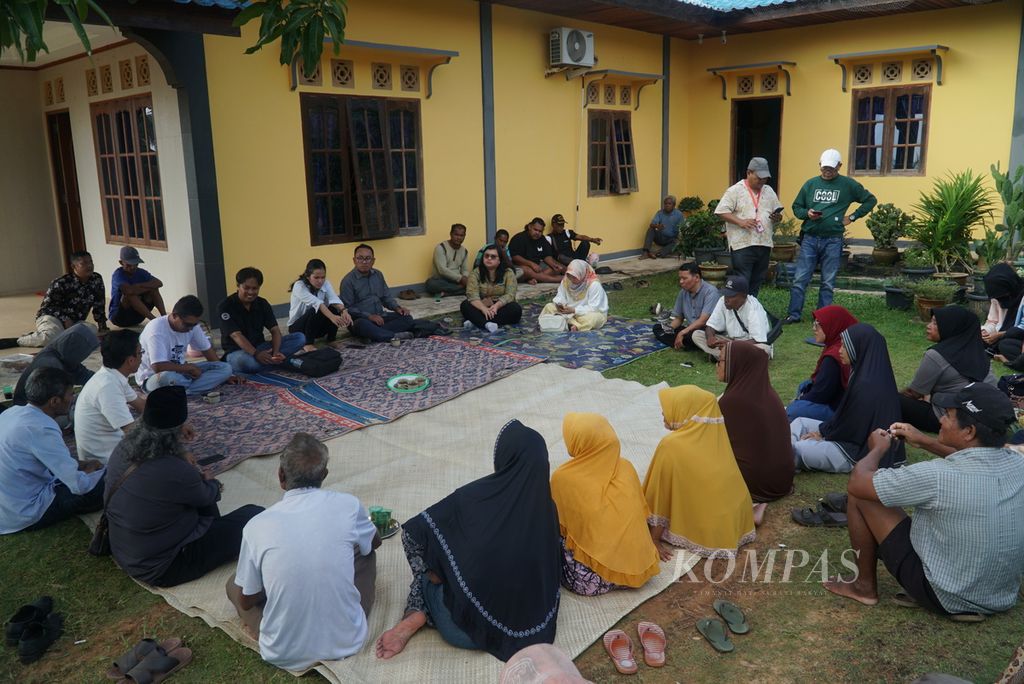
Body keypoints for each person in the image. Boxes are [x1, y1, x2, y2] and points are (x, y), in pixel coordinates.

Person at [824, 383, 1024, 618]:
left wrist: (877, 449)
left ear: (968, 432)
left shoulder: (937, 476)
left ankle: (863, 587)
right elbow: (976, 459)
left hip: (947, 596)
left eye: (948, 416)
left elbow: (858, 482)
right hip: (999, 595)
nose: (940, 420)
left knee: (862, 497)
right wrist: (924, 441)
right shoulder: (1017, 462)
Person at [375, 420, 560, 662]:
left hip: (459, 627)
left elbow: (412, 533)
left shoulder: (472, 498)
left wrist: (434, 572)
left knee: (434, 558)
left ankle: (417, 614)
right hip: (530, 631)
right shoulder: (547, 509)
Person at [227, 433, 379, 670]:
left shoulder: (257, 526)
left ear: (280, 476)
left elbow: (246, 602)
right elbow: (375, 541)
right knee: (366, 550)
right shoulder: (348, 504)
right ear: (324, 475)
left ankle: (270, 628)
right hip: (346, 641)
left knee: (234, 585)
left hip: (282, 651)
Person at [105, 386, 264, 587]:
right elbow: (208, 495)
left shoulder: (123, 448)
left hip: (124, 549)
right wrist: (210, 481)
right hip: (163, 566)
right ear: (176, 431)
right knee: (255, 516)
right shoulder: (175, 470)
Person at [550, 413, 660, 595]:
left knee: (556, 528)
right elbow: (640, 513)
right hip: (639, 570)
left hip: (590, 582)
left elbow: (557, 525)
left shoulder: (563, 478)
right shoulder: (626, 467)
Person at [642, 385, 755, 560]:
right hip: (734, 519)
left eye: (669, 408)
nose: (663, 413)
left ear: (686, 411)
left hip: (709, 529)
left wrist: (653, 538)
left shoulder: (671, 445)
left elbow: (661, 495)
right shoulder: (715, 436)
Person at [0, 367, 105, 534]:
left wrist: (82, 464)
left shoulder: (12, 413)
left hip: (7, 507)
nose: (73, 398)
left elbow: (46, 460)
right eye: (71, 394)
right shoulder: (42, 428)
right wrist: (94, 473)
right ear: (55, 401)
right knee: (111, 480)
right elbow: (79, 486)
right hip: (25, 513)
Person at [790, 323, 905, 473]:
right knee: (800, 422)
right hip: (846, 435)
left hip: (856, 451)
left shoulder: (866, 384)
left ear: (858, 348)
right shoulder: (867, 372)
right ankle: (782, 451)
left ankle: (784, 455)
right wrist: (823, 432)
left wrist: (824, 436)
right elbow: (846, 419)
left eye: (844, 346)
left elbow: (852, 429)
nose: (840, 351)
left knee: (800, 448)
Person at [784, 149, 877, 324]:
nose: (827, 171)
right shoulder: (810, 184)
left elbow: (870, 200)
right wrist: (807, 213)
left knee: (828, 281)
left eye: (831, 168)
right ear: (820, 165)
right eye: (824, 168)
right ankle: (793, 314)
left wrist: (852, 217)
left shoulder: (848, 185)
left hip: (833, 239)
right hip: (810, 237)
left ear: (839, 166)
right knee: (800, 279)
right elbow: (797, 207)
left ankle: (822, 318)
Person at [718, 341, 794, 503]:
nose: (717, 365)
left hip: (759, 484)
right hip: (782, 480)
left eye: (721, 361)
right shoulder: (766, 392)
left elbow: (714, 443)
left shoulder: (733, 400)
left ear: (736, 364)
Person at [900, 306, 995, 433]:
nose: (928, 326)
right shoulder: (980, 355)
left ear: (951, 327)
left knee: (891, 399)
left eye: (935, 323)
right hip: (980, 420)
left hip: (948, 420)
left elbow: (914, 393)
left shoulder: (936, 355)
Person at [73, 330, 146, 464]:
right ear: (130, 360)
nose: (142, 357)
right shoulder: (107, 386)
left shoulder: (111, 375)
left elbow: (141, 405)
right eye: (140, 353)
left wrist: (175, 424)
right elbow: (133, 433)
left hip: (113, 450)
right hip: (106, 462)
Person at [714, 158, 784, 297]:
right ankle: (739, 309)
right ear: (749, 173)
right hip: (742, 244)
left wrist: (777, 217)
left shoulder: (768, 191)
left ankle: (752, 309)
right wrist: (740, 222)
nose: (762, 181)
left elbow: (778, 213)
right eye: (759, 178)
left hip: (763, 242)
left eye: (765, 178)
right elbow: (721, 211)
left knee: (757, 280)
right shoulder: (735, 190)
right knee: (742, 280)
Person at [136, 296, 234, 395]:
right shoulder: (156, 330)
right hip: (155, 377)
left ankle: (184, 390)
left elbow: (207, 350)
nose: (190, 329)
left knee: (225, 368)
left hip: (182, 372)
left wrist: (227, 375)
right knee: (169, 378)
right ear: (174, 316)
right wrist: (189, 368)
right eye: (187, 325)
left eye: (194, 325)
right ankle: (192, 388)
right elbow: (158, 367)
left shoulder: (192, 326)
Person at [219, 267, 305, 375]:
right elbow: (236, 335)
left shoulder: (262, 303)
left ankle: (273, 359)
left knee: (299, 338)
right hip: (237, 352)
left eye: (254, 288)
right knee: (248, 362)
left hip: (261, 347)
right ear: (238, 286)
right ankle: (276, 361)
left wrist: (276, 352)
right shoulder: (226, 306)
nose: (250, 292)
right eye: (246, 288)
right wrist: (256, 354)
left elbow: (275, 331)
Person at [17, 250, 108, 348]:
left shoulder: (96, 279)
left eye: (90, 262)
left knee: (92, 330)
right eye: (84, 263)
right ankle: (19, 340)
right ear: (74, 267)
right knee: (49, 339)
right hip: (52, 317)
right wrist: (65, 319)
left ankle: (58, 335)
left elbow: (99, 303)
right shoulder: (61, 283)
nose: (89, 266)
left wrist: (102, 325)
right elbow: (48, 307)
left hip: (75, 321)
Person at [786, 305, 858, 421]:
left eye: (819, 324)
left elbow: (821, 395)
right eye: (814, 323)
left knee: (792, 411)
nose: (814, 328)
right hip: (840, 400)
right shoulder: (840, 344)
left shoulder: (834, 357)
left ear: (833, 325)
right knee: (804, 385)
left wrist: (801, 400)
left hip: (839, 410)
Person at [341, 244, 419, 343]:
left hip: (381, 317)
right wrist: (369, 316)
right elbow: (348, 308)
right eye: (360, 258)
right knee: (362, 325)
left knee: (407, 318)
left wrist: (398, 308)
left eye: (368, 258)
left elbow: (386, 297)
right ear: (354, 260)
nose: (364, 262)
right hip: (361, 320)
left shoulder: (378, 275)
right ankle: (392, 336)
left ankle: (374, 335)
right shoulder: (348, 281)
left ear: (373, 261)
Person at [13, 322, 98, 406]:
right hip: (34, 411)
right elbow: (56, 402)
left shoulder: (62, 355)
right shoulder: (51, 365)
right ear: (75, 347)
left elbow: (83, 374)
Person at [691, 275, 772, 360]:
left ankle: (723, 356)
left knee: (764, 349)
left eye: (731, 296)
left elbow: (758, 340)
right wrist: (710, 338)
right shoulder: (722, 301)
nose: (727, 299)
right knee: (697, 335)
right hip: (729, 340)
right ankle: (729, 357)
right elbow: (710, 326)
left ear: (743, 296)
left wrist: (732, 345)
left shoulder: (754, 308)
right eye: (726, 294)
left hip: (748, 344)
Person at [652, 262, 721, 350]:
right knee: (658, 328)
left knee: (693, 335)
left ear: (696, 277)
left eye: (684, 278)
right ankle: (684, 343)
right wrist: (669, 330)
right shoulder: (683, 292)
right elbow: (679, 318)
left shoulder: (711, 292)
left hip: (704, 331)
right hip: (689, 329)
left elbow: (703, 321)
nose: (681, 282)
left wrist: (682, 333)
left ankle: (685, 343)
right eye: (680, 278)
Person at [288, 259, 352, 346]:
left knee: (333, 308)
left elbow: (334, 298)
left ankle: (331, 339)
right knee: (315, 310)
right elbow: (317, 303)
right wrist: (332, 317)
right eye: (316, 278)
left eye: (323, 277)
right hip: (298, 329)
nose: (320, 281)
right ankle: (308, 344)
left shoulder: (326, 283)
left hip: (315, 329)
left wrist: (344, 311)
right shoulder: (299, 286)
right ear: (308, 276)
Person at [461, 243, 523, 333]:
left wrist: (496, 306)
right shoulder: (475, 273)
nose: (489, 258)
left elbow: (510, 294)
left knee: (516, 309)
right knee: (465, 305)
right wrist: (483, 308)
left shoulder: (508, 273)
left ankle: (477, 321)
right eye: (486, 256)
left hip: (500, 306)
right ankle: (487, 324)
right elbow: (472, 295)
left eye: (493, 257)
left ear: (499, 261)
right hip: (481, 305)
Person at [538, 259, 608, 332]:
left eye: (574, 277)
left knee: (593, 318)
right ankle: (570, 324)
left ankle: (573, 325)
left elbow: (594, 308)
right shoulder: (566, 280)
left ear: (582, 274)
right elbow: (560, 295)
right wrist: (560, 304)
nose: (571, 279)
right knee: (549, 307)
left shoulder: (594, 285)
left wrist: (574, 310)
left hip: (586, 313)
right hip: (568, 311)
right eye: (569, 275)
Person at [108, 246, 166, 328]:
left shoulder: (141, 272)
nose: (133, 267)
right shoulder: (118, 275)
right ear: (121, 263)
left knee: (154, 290)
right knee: (129, 295)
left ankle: (164, 318)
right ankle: (154, 321)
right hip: (120, 317)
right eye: (129, 265)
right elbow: (129, 291)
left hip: (137, 316)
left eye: (135, 264)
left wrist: (140, 285)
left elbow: (159, 283)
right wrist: (142, 289)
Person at [980, 263, 1024, 356]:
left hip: (1019, 336)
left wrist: (1001, 335)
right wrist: (986, 332)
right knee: (978, 338)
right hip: (1002, 335)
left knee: (1005, 345)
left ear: (1010, 285)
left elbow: (1021, 328)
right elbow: (993, 321)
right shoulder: (997, 297)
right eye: (997, 298)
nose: (1000, 301)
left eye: (1003, 296)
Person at [509, 218, 565, 284]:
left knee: (556, 268)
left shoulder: (542, 239)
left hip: (538, 267)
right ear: (529, 227)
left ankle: (533, 279)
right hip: (522, 266)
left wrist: (553, 265)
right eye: (535, 230)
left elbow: (546, 256)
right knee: (526, 271)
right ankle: (555, 280)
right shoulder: (519, 238)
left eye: (540, 231)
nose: (537, 233)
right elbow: (515, 257)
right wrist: (531, 264)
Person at [425, 223, 471, 296]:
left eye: (461, 235)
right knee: (430, 284)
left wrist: (465, 278)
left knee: (475, 282)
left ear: (464, 236)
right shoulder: (441, 248)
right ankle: (460, 290)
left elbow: (464, 269)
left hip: (456, 281)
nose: (458, 238)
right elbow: (442, 270)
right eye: (456, 235)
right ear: (451, 234)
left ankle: (447, 293)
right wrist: (461, 279)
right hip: (442, 280)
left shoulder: (464, 251)